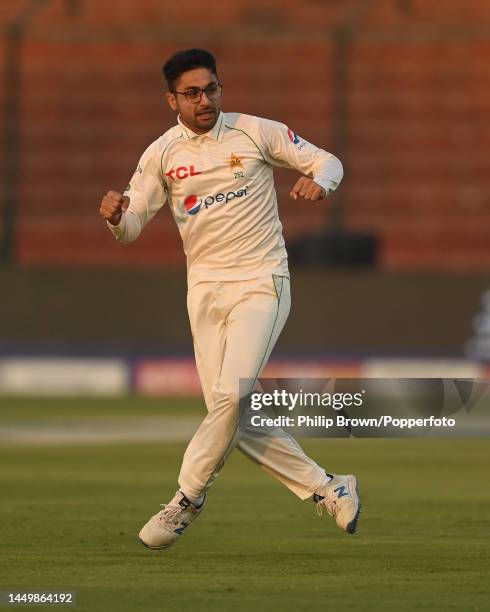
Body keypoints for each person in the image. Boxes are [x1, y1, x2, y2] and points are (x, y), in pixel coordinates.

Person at [99, 48, 361, 550]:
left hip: (261, 281)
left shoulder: (254, 131)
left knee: (232, 397)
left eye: (212, 89)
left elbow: (329, 160)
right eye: (192, 93)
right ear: (171, 99)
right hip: (204, 291)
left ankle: (185, 499)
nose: (205, 100)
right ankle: (329, 488)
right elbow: (132, 226)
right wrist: (115, 217)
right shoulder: (162, 154)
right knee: (232, 413)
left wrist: (319, 181)